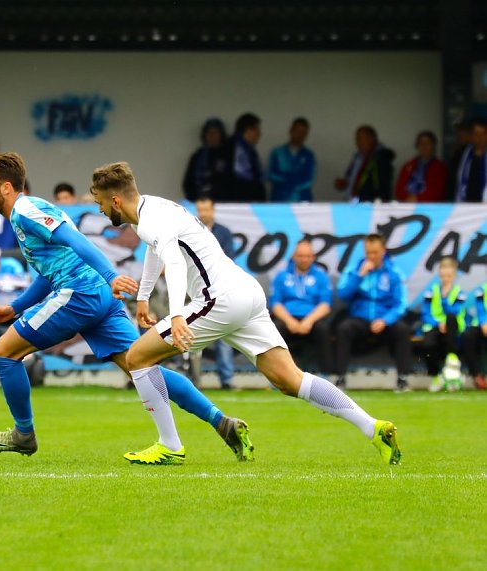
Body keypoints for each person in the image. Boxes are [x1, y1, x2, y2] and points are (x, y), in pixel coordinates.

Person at [89, 161, 401, 466]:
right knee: (289, 380)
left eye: (100, 202)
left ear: (115, 200)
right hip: (245, 293)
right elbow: (156, 249)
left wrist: (177, 315)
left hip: (219, 298)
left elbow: (173, 261)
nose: (100, 209)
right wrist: (144, 296)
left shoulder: (150, 220)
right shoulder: (152, 209)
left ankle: (170, 446)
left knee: (136, 358)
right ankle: (372, 427)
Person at [0, 152, 253, 465]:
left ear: (7, 187)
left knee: (2, 353)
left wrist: (111, 276)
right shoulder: (26, 215)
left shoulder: (26, 210)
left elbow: (77, 241)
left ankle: (23, 434)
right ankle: (221, 422)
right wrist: (15, 307)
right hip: (97, 296)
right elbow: (48, 273)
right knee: (141, 365)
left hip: (80, 293)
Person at [335, 234, 411, 391]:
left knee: (402, 330)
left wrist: (385, 320)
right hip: (360, 319)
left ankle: (402, 379)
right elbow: (342, 295)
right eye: (368, 252)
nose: (371, 256)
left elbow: (401, 304)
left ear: (383, 251)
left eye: (375, 252)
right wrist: (359, 276)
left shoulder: (394, 273)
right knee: (344, 328)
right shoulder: (354, 270)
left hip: (384, 320)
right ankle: (340, 378)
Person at [269, 240, 334, 376]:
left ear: (313, 257)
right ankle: (277, 375)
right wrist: (290, 321)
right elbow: (275, 304)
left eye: (308, 256)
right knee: (275, 331)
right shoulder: (281, 276)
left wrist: (308, 322)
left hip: (312, 318)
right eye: (301, 256)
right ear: (294, 256)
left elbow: (325, 305)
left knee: (323, 330)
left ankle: (326, 375)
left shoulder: (321, 276)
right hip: (288, 317)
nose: (304, 259)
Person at [195, 197, 235, 389]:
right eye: (200, 210)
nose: (203, 213)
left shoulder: (224, 233)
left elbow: (228, 259)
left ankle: (227, 380)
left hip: (221, 287)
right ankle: (193, 378)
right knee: (191, 334)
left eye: (206, 210)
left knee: (224, 334)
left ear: (213, 210)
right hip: (197, 289)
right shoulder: (192, 230)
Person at [420, 257, 467, 392]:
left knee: (451, 319)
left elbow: (455, 311)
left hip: (453, 328)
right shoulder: (431, 291)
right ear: (439, 275)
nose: (446, 279)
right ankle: (436, 376)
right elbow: (425, 313)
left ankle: (452, 361)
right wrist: (437, 323)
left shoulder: (459, 293)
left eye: (449, 276)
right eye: (443, 276)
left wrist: (445, 299)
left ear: (454, 276)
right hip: (434, 326)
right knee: (428, 345)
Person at [336, 125, 395, 202]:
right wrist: (345, 183)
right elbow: (355, 180)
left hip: (368, 205)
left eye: (360, 139)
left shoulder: (381, 158)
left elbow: (381, 186)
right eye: (356, 139)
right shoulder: (358, 157)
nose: (357, 142)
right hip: (351, 202)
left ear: (371, 139)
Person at [268, 117, 316, 202]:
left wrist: (289, 180)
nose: (300, 135)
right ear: (291, 131)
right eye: (297, 131)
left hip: (301, 200)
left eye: (303, 132)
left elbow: (309, 180)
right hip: (280, 199)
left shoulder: (309, 156)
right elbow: (271, 174)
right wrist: (292, 179)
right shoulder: (277, 153)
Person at [181, 118, 229, 202]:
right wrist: (194, 199)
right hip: (200, 202)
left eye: (215, 132)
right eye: (209, 132)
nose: (212, 135)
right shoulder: (198, 156)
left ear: (221, 134)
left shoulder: (229, 155)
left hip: (224, 203)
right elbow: (188, 182)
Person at [395, 131, 447, 203]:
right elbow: (399, 189)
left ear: (433, 145)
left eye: (428, 143)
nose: (424, 146)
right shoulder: (408, 165)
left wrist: (417, 198)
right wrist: (407, 198)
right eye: (421, 143)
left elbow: (438, 191)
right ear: (417, 145)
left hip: (429, 206)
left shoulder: (440, 168)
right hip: (407, 204)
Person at [224, 113, 265, 203]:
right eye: (257, 129)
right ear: (248, 130)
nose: (259, 134)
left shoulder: (248, 149)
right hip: (239, 201)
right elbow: (243, 177)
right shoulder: (235, 148)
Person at [461, 281, 487, 390]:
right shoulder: (482, 290)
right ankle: (477, 375)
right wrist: (484, 322)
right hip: (481, 325)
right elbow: (480, 309)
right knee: (467, 336)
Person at [454, 117, 487, 202]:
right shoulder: (461, 155)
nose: (480, 138)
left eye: (483, 134)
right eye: (476, 134)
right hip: (467, 205)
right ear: (471, 136)